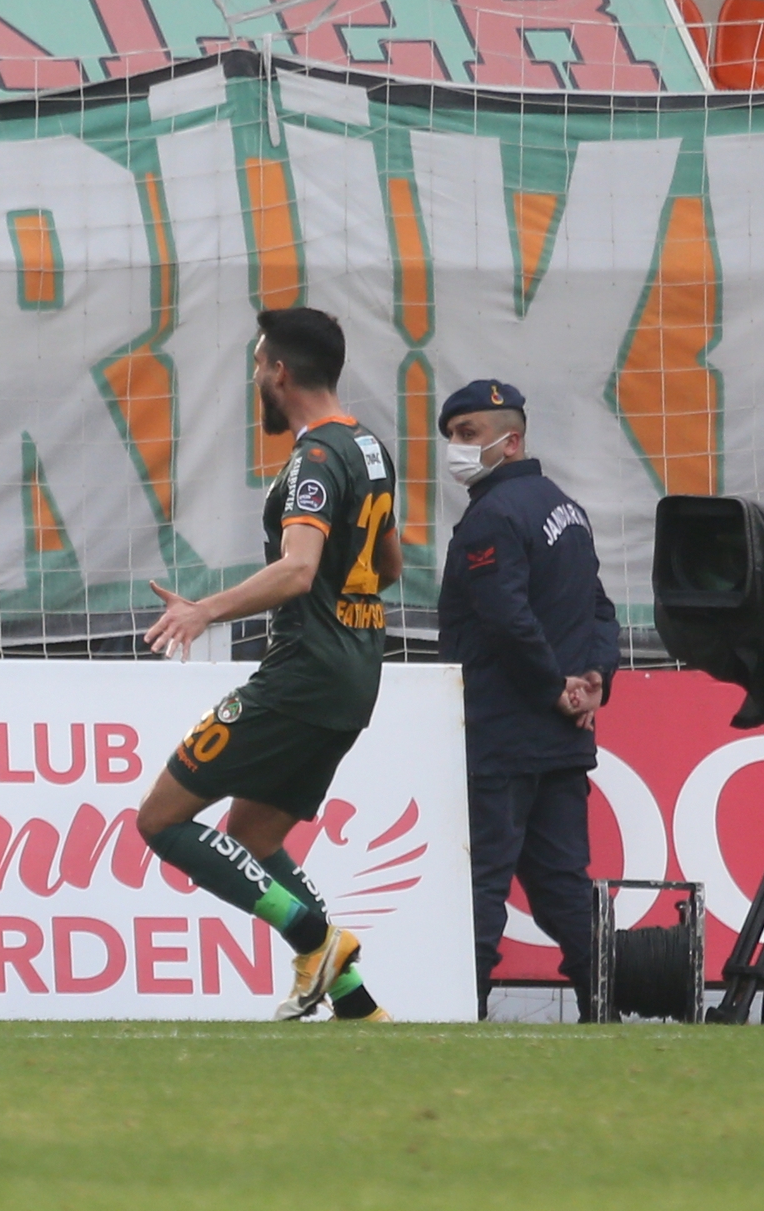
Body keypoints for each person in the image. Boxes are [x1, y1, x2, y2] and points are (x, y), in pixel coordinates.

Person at [135, 307, 400, 1022]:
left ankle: (314, 937)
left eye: (258, 366)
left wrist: (201, 611)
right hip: (354, 675)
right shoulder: (370, 449)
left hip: (302, 676)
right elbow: (389, 563)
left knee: (160, 820)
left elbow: (296, 572)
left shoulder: (315, 458)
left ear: (278, 372)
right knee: (251, 840)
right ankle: (353, 1002)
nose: (257, 378)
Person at [436, 379, 619, 1021]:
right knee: (563, 885)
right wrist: (592, 680)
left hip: (502, 731)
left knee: (483, 879)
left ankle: (465, 1006)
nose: (456, 450)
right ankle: (605, 1005)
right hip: (563, 736)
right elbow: (599, 608)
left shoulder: (493, 515)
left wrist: (554, 686)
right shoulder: (564, 506)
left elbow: (505, 619)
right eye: (452, 438)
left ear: (509, 441)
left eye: (468, 436)